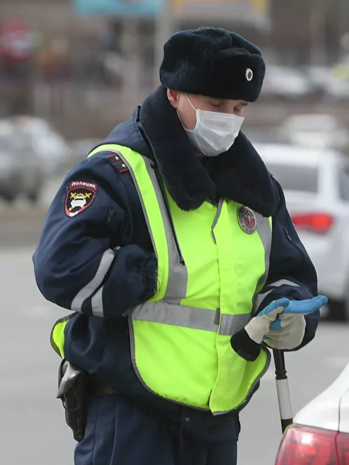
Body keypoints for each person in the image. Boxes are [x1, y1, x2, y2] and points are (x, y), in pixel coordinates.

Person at [32, 27, 327, 465]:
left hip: (217, 420)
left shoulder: (257, 189)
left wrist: (288, 310)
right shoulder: (118, 170)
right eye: (214, 105)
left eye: (238, 107)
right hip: (131, 414)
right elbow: (59, 265)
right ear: (174, 95)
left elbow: (291, 272)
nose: (228, 118)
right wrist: (146, 276)